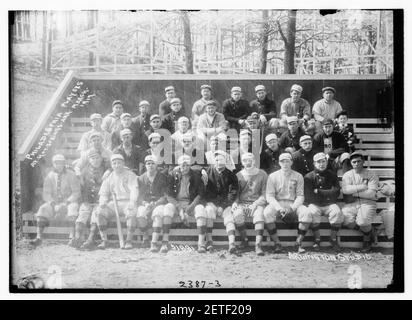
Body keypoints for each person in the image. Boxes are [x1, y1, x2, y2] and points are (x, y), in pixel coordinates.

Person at [30, 154, 80, 247]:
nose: (59, 165)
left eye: (61, 163)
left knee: (73, 209)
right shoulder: (50, 176)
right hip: (54, 202)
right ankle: (39, 237)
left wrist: (67, 202)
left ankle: (72, 237)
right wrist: (53, 204)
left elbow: (76, 192)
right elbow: (46, 193)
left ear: (64, 163)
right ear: (53, 164)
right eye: (56, 163)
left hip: (68, 201)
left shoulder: (71, 175)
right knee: (43, 209)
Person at [263, 153, 310, 253]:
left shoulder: (298, 176)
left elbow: (300, 195)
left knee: (306, 213)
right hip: (278, 203)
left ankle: (298, 243)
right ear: (279, 163)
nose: (285, 164)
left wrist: (292, 208)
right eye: (282, 161)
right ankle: (277, 243)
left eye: (287, 161)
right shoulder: (272, 176)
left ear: (291, 162)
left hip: (293, 203)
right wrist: (279, 208)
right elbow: (269, 196)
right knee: (267, 213)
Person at [93, 154, 138, 250]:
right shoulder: (109, 176)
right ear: (112, 165)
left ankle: (128, 240)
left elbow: (134, 190)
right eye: (114, 163)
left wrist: (132, 202)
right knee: (99, 212)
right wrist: (103, 202)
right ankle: (104, 240)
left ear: (123, 163)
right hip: (114, 203)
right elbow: (104, 193)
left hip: (127, 202)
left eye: (119, 163)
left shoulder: (130, 175)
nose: (117, 165)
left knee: (131, 212)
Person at [165, 155, 206, 253]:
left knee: (200, 209)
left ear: (190, 165)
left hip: (191, 203)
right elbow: (168, 195)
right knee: (167, 208)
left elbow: (200, 194)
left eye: (187, 165)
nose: (185, 167)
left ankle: (201, 244)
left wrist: (190, 208)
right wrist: (179, 208)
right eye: (182, 165)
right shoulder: (172, 175)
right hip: (176, 203)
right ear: (178, 166)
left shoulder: (196, 176)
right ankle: (164, 242)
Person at [302, 152, 343, 253]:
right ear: (314, 163)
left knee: (337, 212)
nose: (321, 164)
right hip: (315, 203)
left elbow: (336, 192)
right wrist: (328, 193)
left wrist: (319, 191)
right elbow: (309, 195)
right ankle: (317, 239)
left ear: (327, 162)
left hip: (329, 204)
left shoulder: (332, 175)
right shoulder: (309, 177)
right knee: (312, 212)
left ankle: (333, 239)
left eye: (323, 161)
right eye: (318, 162)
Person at [341, 151, 379, 253]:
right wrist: (362, 187)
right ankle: (370, 231)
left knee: (362, 221)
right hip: (352, 203)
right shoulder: (347, 175)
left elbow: (371, 193)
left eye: (359, 161)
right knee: (344, 219)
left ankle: (367, 240)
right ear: (351, 163)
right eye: (354, 162)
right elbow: (345, 190)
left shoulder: (371, 174)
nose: (356, 164)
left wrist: (353, 192)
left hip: (368, 202)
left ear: (363, 162)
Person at [69, 151, 106, 249]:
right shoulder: (84, 171)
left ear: (101, 159)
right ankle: (77, 238)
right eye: (92, 158)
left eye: (97, 158)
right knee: (82, 215)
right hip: (87, 200)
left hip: (99, 201)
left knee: (95, 217)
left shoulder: (105, 170)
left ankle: (90, 239)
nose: (95, 160)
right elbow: (79, 185)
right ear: (89, 160)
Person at [233, 153, 268, 256]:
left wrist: (256, 203)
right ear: (242, 163)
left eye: (250, 160)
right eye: (245, 161)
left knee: (259, 215)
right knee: (237, 214)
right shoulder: (238, 175)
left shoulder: (262, 174)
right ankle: (245, 240)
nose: (248, 163)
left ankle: (258, 245)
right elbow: (236, 193)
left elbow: (265, 193)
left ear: (254, 161)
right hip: (242, 202)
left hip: (257, 202)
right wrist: (235, 202)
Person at [205, 152, 239, 254]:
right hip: (212, 203)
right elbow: (205, 190)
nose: (218, 162)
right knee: (209, 212)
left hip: (226, 203)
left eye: (221, 160)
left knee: (229, 216)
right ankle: (209, 241)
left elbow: (232, 192)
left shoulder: (231, 175)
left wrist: (223, 206)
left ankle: (232, 243)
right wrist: (213, 204)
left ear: (225, 161)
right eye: (216, 160)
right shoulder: (208, 172)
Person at [134, 155, 169, 250]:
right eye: (148, 164)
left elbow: (166, 195)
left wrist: (156, 203)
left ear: (157, 165)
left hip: (159, 203)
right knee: (140, 214)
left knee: (158, 214)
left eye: (153, 163)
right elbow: (139, 196)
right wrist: (145, 203)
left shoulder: (163, 177)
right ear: (145, 165)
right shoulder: (140, 178)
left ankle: (154, 242)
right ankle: (145, 237)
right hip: (146, 203)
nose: (150, 165)